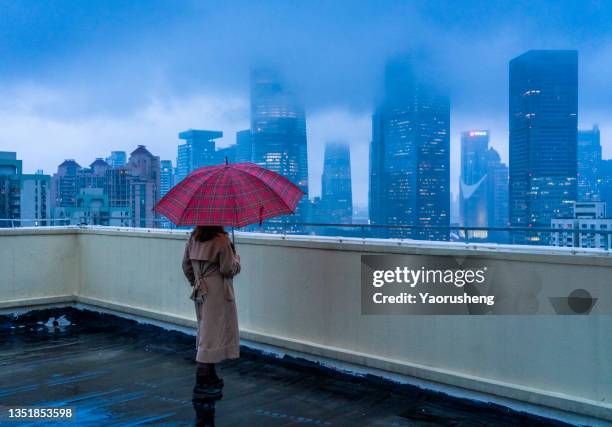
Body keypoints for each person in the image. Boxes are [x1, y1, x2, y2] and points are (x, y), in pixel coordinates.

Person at [182, 225, 241, 399]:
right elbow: (228, 269)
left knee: (206, 331)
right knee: (212, 335)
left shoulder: (193, 238)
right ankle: (202, 379)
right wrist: (236, 259)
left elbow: (186, 266)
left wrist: (196, 281)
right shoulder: (222, 241)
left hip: (201, 290)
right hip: (218, 293)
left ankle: (210, 375)